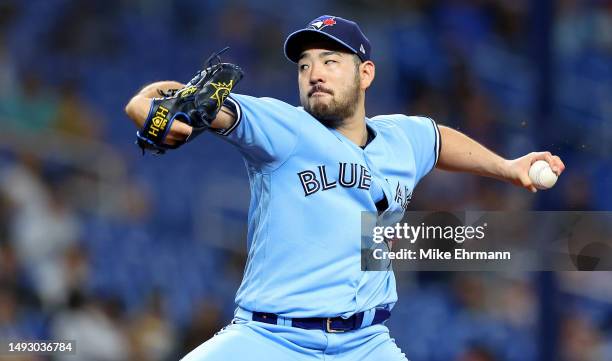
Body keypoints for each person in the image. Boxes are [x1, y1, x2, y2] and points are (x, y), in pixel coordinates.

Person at [125, 15, 565, 361]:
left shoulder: (401, 137)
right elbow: (195, 103)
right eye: (304, 65)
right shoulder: (283, 129)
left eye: (330, 61)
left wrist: (507, 167)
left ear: (366, 73)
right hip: (270, 339)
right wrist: (145, 103)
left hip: (366, 343)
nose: (314, 73)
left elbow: (437, 140)